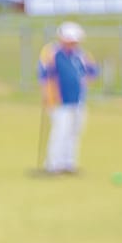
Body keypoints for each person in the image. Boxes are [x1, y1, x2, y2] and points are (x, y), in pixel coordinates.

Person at [39, 21, 100, 174]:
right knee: (60, 132)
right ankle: (53, 165)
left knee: (74, 132)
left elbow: (92, 71)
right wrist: (47, 94)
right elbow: (44, 75)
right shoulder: (52, 53)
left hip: (78, 100)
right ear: (62, 38)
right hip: (59, 101)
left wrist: (87, 79)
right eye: (70, 40)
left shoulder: (81, 55)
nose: (73, 43)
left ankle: (68, 163)